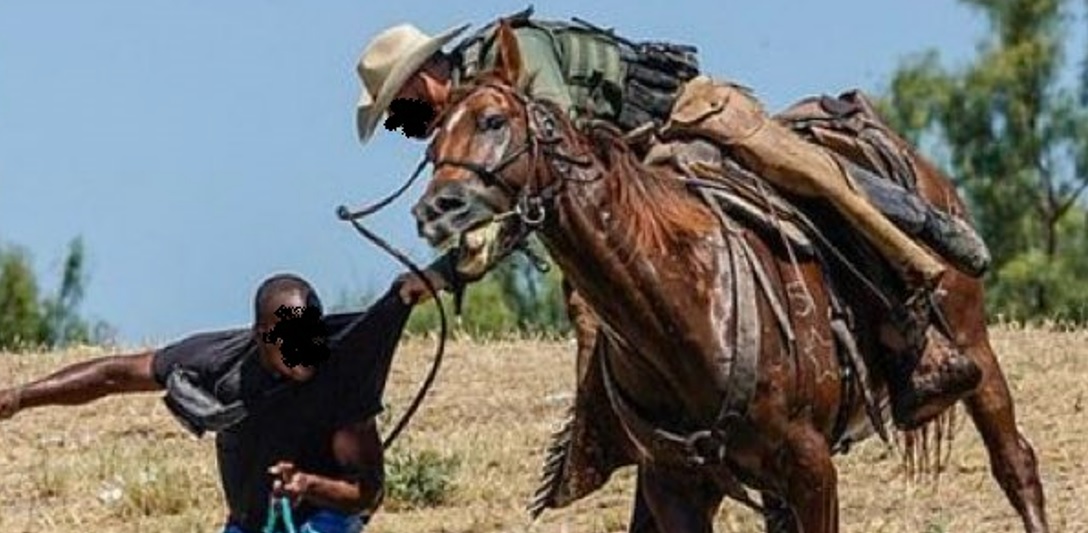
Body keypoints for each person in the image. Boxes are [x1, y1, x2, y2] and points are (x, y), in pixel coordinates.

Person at [351, 7, 987, 432]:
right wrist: (449, 266)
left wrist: (455, 266)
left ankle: (914, 295)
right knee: (592, 300)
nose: (404, 126)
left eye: (399, 108)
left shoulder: (511, 61)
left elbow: (559, 157)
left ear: (424, 76)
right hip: (629, 176)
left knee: (805, 181)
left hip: (680, 120)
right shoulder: (467, 121)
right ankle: (621, 436)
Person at [0, 269, 443, 533]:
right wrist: (21, 396)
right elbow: (115, 375)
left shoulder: (343, 372)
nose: (302, 352)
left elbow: (367, 493)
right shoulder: (218, 361)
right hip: (251, 520)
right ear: (260, 336)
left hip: (326, 511)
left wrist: (309, 484)